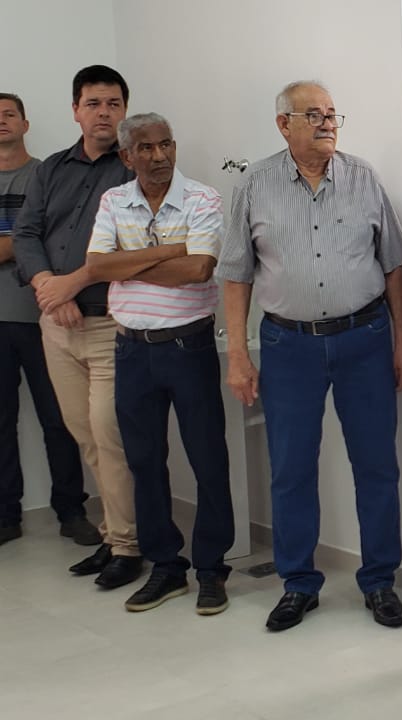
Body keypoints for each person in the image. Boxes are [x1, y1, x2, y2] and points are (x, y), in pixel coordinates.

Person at [218, 81, 402, 632]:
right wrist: (237, 354)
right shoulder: (255, 184)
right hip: (288, 346)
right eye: (313, 114)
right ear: (283, 125)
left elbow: (394, 265)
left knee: (376, 465)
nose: (327, 123)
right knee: (291, 468)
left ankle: (379, 580)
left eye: (332, 114)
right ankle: (298, 584)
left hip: (364, 338)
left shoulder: (363, 178)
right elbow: (235, 274)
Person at [84, 113, 234, 615]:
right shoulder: (113, 200)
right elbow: (97, 266)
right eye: (146, 148)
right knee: (144, 461)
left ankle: (211, 569)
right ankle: (166, 567)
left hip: (188, 346)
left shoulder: (202, 198)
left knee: (208, 458)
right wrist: (170, 250)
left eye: (166, 144)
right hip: (131, 350)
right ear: (126, 156)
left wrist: (131, 261)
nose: (160, 156)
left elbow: (199, 268)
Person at [12, 65, 140, 587]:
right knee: (84, 434)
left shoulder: (135, 167)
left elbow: (136, 247)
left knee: (110, 435)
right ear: (75, 110)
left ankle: (128, 546)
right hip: (57, 325)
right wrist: (48, 285)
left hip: (110, 325)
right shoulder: (50, 169)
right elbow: (27, 233)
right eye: (93, 103)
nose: (103, 113)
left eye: (113, 104)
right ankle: (115, 536)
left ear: (125, 110)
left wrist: (72, 285)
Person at [0, 92, 87, 548]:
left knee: (60, 418)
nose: (2, 122)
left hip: (45, 315)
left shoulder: (47, 175)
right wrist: (22, 241)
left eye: (9, 114)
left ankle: (72, 510)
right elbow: (28, 239)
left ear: (25, 123)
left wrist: (19, 242)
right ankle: (5, 515)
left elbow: (53, 239)